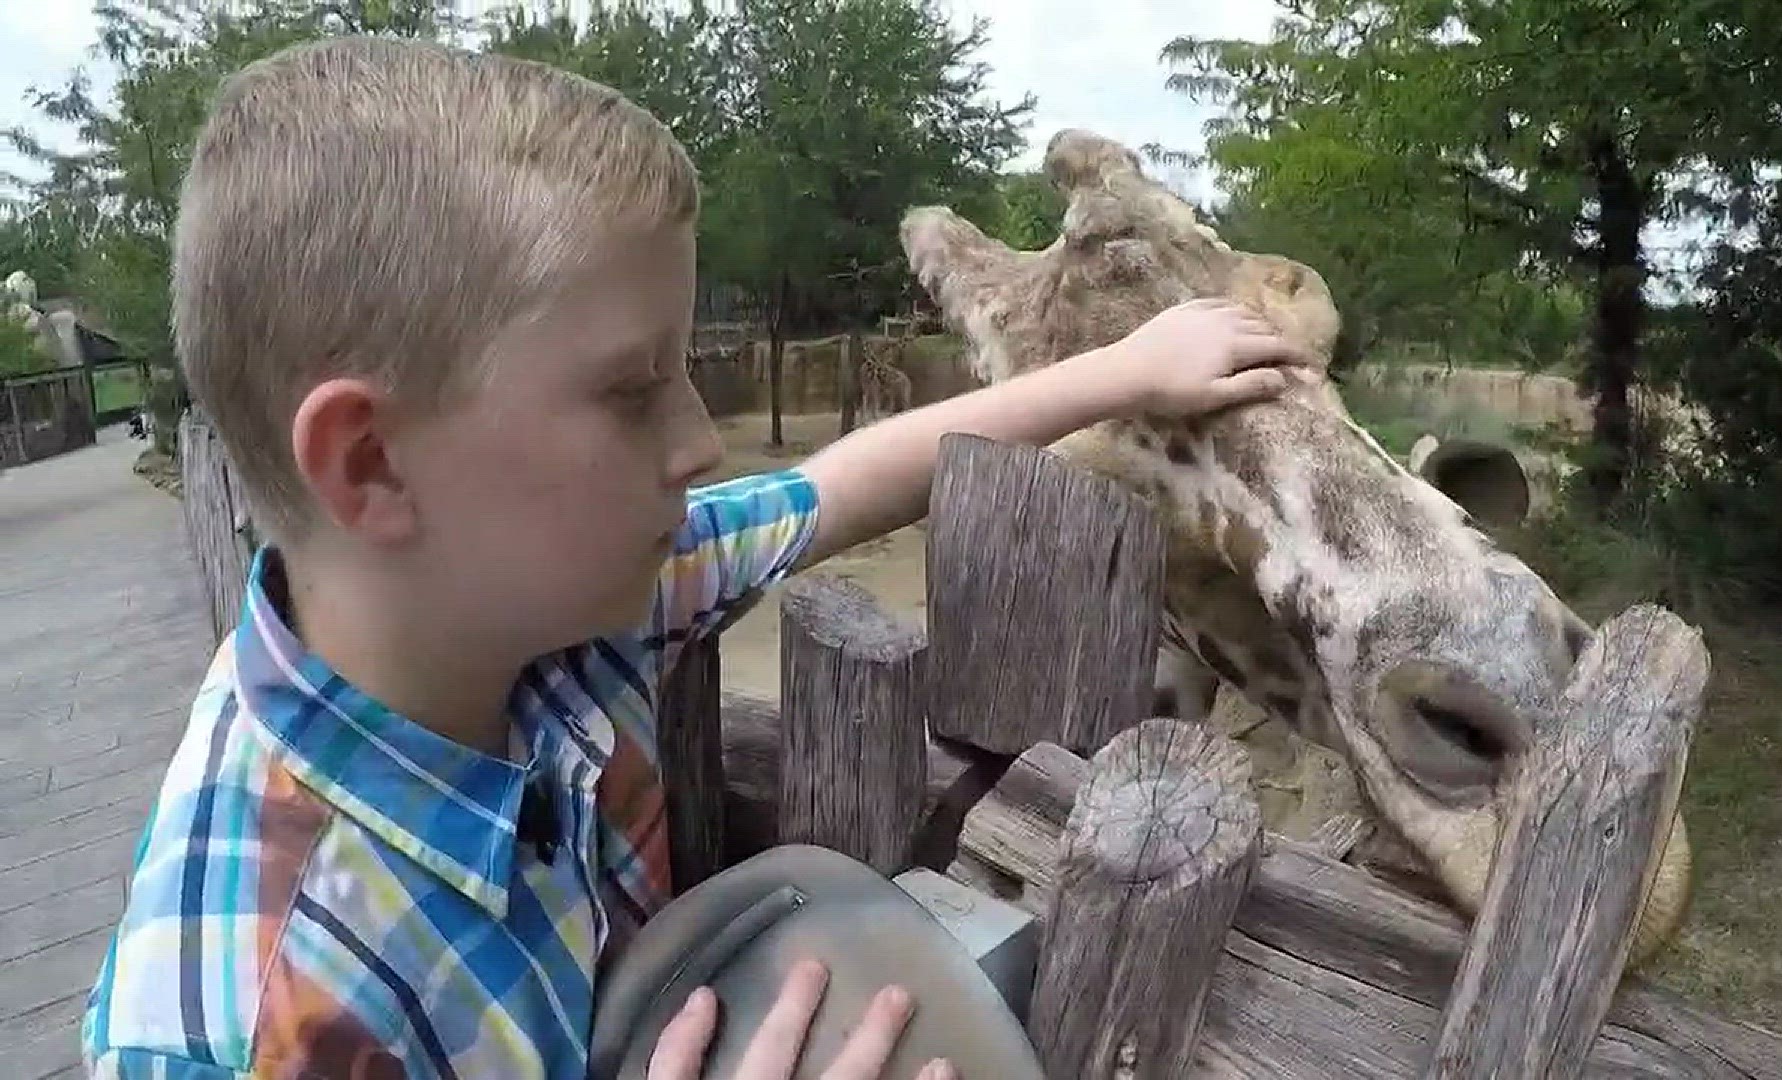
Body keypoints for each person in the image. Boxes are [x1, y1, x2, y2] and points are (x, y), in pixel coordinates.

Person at [80, 35, 1312, 1080]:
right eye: (630, 390)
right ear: (371, 465)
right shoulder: (232, 1023)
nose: (696, 443)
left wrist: (1122, 371)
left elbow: (839, 484)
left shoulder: (558, 611)